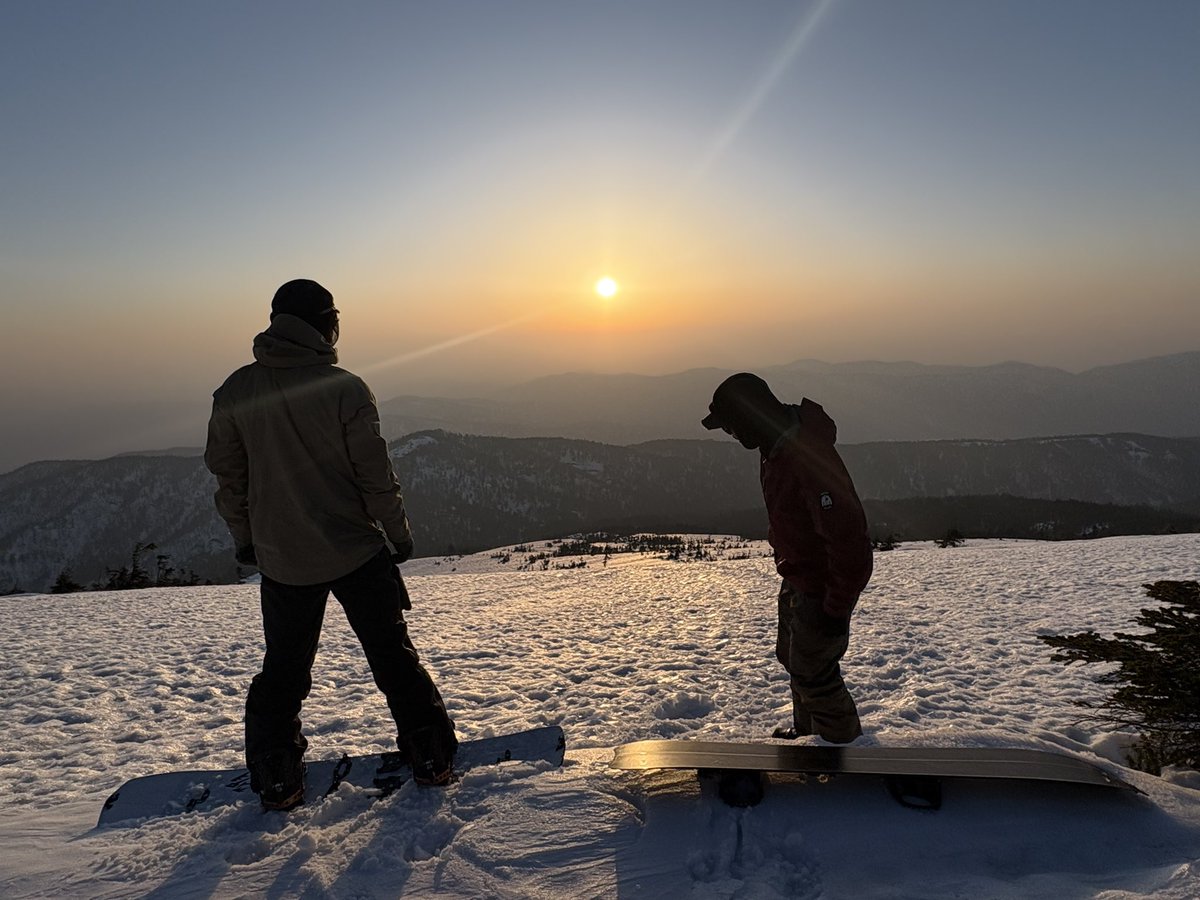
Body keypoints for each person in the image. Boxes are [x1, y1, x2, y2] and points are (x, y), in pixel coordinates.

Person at [204, 278, 457, 809]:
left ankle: (277, 774)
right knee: (392, 656)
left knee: (284, 671)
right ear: (325, 324)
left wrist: (247, 541)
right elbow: (375, 477)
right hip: (356, 551)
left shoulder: (234, 392)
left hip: (283, 560)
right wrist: (399, 535)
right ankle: (429, 753)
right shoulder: (345, 388)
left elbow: (231, 481)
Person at [701, 372, 872, 743]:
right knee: (795, 660)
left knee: (814, 671)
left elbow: (849, 542)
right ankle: (811, 735)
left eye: (731, 427)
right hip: (799, 577)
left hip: (823, 584)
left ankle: (844, 751)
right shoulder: (775, 446)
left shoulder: (805, 454)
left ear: (748, 417)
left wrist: (835, 607)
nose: (732, 437)